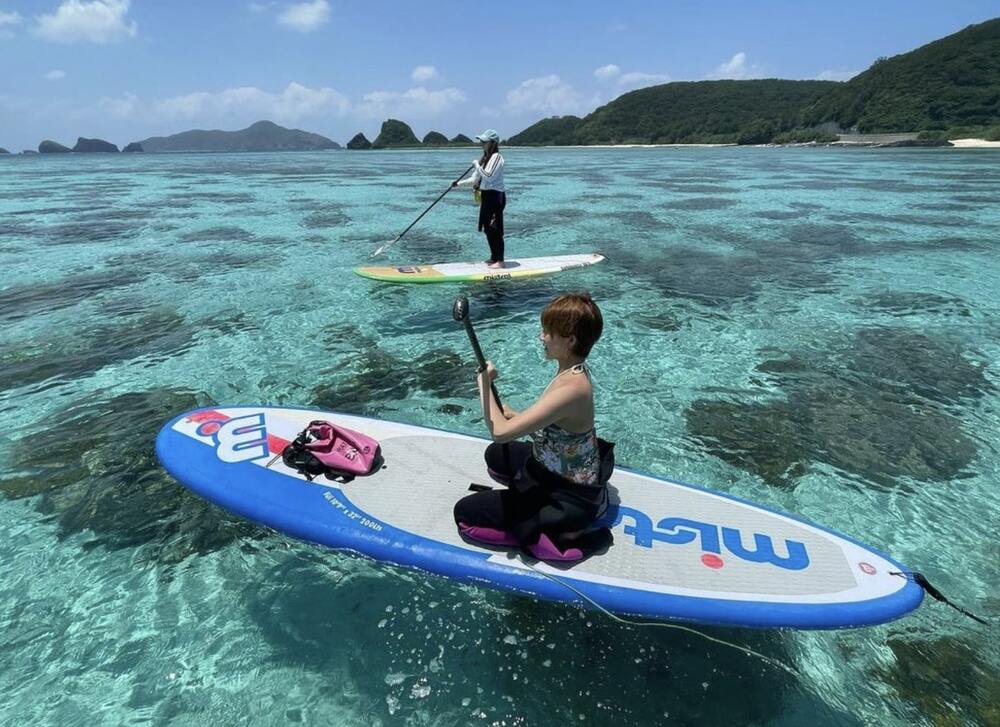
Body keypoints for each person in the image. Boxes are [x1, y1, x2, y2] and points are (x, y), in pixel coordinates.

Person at [453, 293, 614, 562]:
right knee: (495, 455)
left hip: (568, 495)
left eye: (548, 332)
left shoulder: (573, 389)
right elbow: (559, 430)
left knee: (464, 513)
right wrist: (516, 416)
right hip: (556, 466)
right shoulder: (572, 370)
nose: (542, 337)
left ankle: (544, 536)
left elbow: (500, 432)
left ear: (570, 340)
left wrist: (484, 384)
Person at [454, 129, 506, 268]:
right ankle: (494, 257)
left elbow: (488, 176)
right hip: (486, 196)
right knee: (487, 228)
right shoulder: (484, 159)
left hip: (496, 196)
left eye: (484, 141)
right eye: (481, 141)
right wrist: (458, 184)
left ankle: (500, 261)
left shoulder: (497, 157)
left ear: (492, 143)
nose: (481, 143)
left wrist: (477, 165)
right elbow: (475, 179)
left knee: (495, 228)